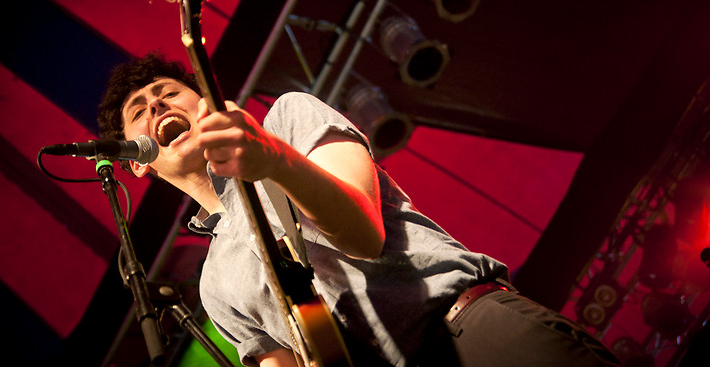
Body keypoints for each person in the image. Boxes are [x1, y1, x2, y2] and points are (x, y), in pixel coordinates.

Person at [97, 53, 619, 367]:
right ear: (137, 164)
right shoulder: (213, 287)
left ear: (207, 103)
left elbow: (363, 233)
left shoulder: (285, 120)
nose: (158, 107)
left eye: (168, 93)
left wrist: (273, 160)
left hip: (470, 331)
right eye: (139, 111)